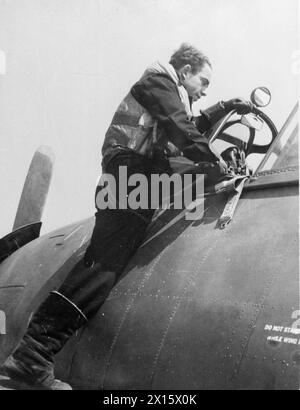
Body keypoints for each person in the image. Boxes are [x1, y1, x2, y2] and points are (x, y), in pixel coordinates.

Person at [0, 43, 253, 390]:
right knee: (101, 269)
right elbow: (181, 127)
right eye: (204, 81)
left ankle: (31, 356)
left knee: (105, 267)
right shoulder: (157, 83)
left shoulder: (166, 91)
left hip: (138, 175)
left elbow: (186, 122)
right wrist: (214, 166)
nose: (206, 89)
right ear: (184, 71)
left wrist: (224, 108)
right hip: (129, 175)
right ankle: (32, 356)